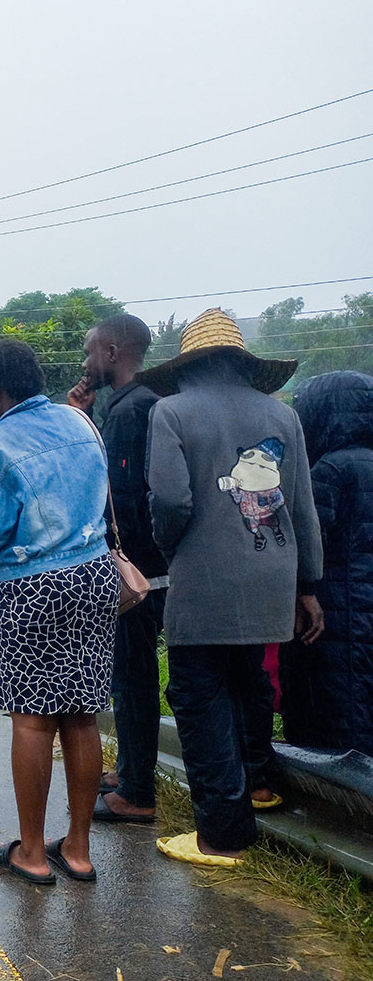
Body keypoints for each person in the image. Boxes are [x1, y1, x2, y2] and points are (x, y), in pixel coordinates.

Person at [139, 308, 323, 867]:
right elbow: (302, 508)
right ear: (243, 363)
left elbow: (169, 502)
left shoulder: (170, 411)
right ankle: (255, 794)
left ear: (187, 366)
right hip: (273, 578)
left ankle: (220, 836)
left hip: (204, 580)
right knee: (250, 689)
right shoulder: (280, 415)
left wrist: (174, 549)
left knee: (199, 697)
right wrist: (307, 585)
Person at [0, 338, 117, 885]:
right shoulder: (78, 423)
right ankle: (78, 848)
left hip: (34, 586)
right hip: (95, 577)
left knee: (33, 717)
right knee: (82, 714)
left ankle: (28, 852)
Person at [68, 314, 170, 825]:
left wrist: (113, 553)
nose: (85, 363)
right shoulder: (133, 405)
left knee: (133, 678)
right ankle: (129, 770)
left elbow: (122, 498)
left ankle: (137, 792)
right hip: (150, 567)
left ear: (111, 352)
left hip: (137, 570)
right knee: (130, 675)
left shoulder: (134, 412)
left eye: (89, 352)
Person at [279, 370, 372, 755]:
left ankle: (339, 797)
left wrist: (303, 590)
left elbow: (308, 539)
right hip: (362, 604)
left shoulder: (329, 470)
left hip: (334, 608)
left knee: (336, 699)